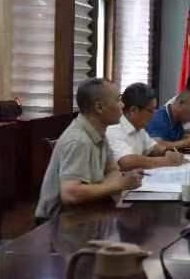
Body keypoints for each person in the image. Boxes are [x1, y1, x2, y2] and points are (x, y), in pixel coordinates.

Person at [35, 78, 143, 222]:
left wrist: (112, 184)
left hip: (87, 211)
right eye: (118, 100)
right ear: (99, 107)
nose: (122, 105)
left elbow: (113, 170)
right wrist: (119, 184)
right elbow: (70, 194)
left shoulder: (99, 131)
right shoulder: (78, 140)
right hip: (56, 223)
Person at [106, 83, 186, 171]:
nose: (154, 114)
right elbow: (126, 162)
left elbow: (153, 148)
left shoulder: (139, 128)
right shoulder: (114, 128)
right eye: (150, 111)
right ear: (133, 110)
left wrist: (166, 152)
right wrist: (167, 161)